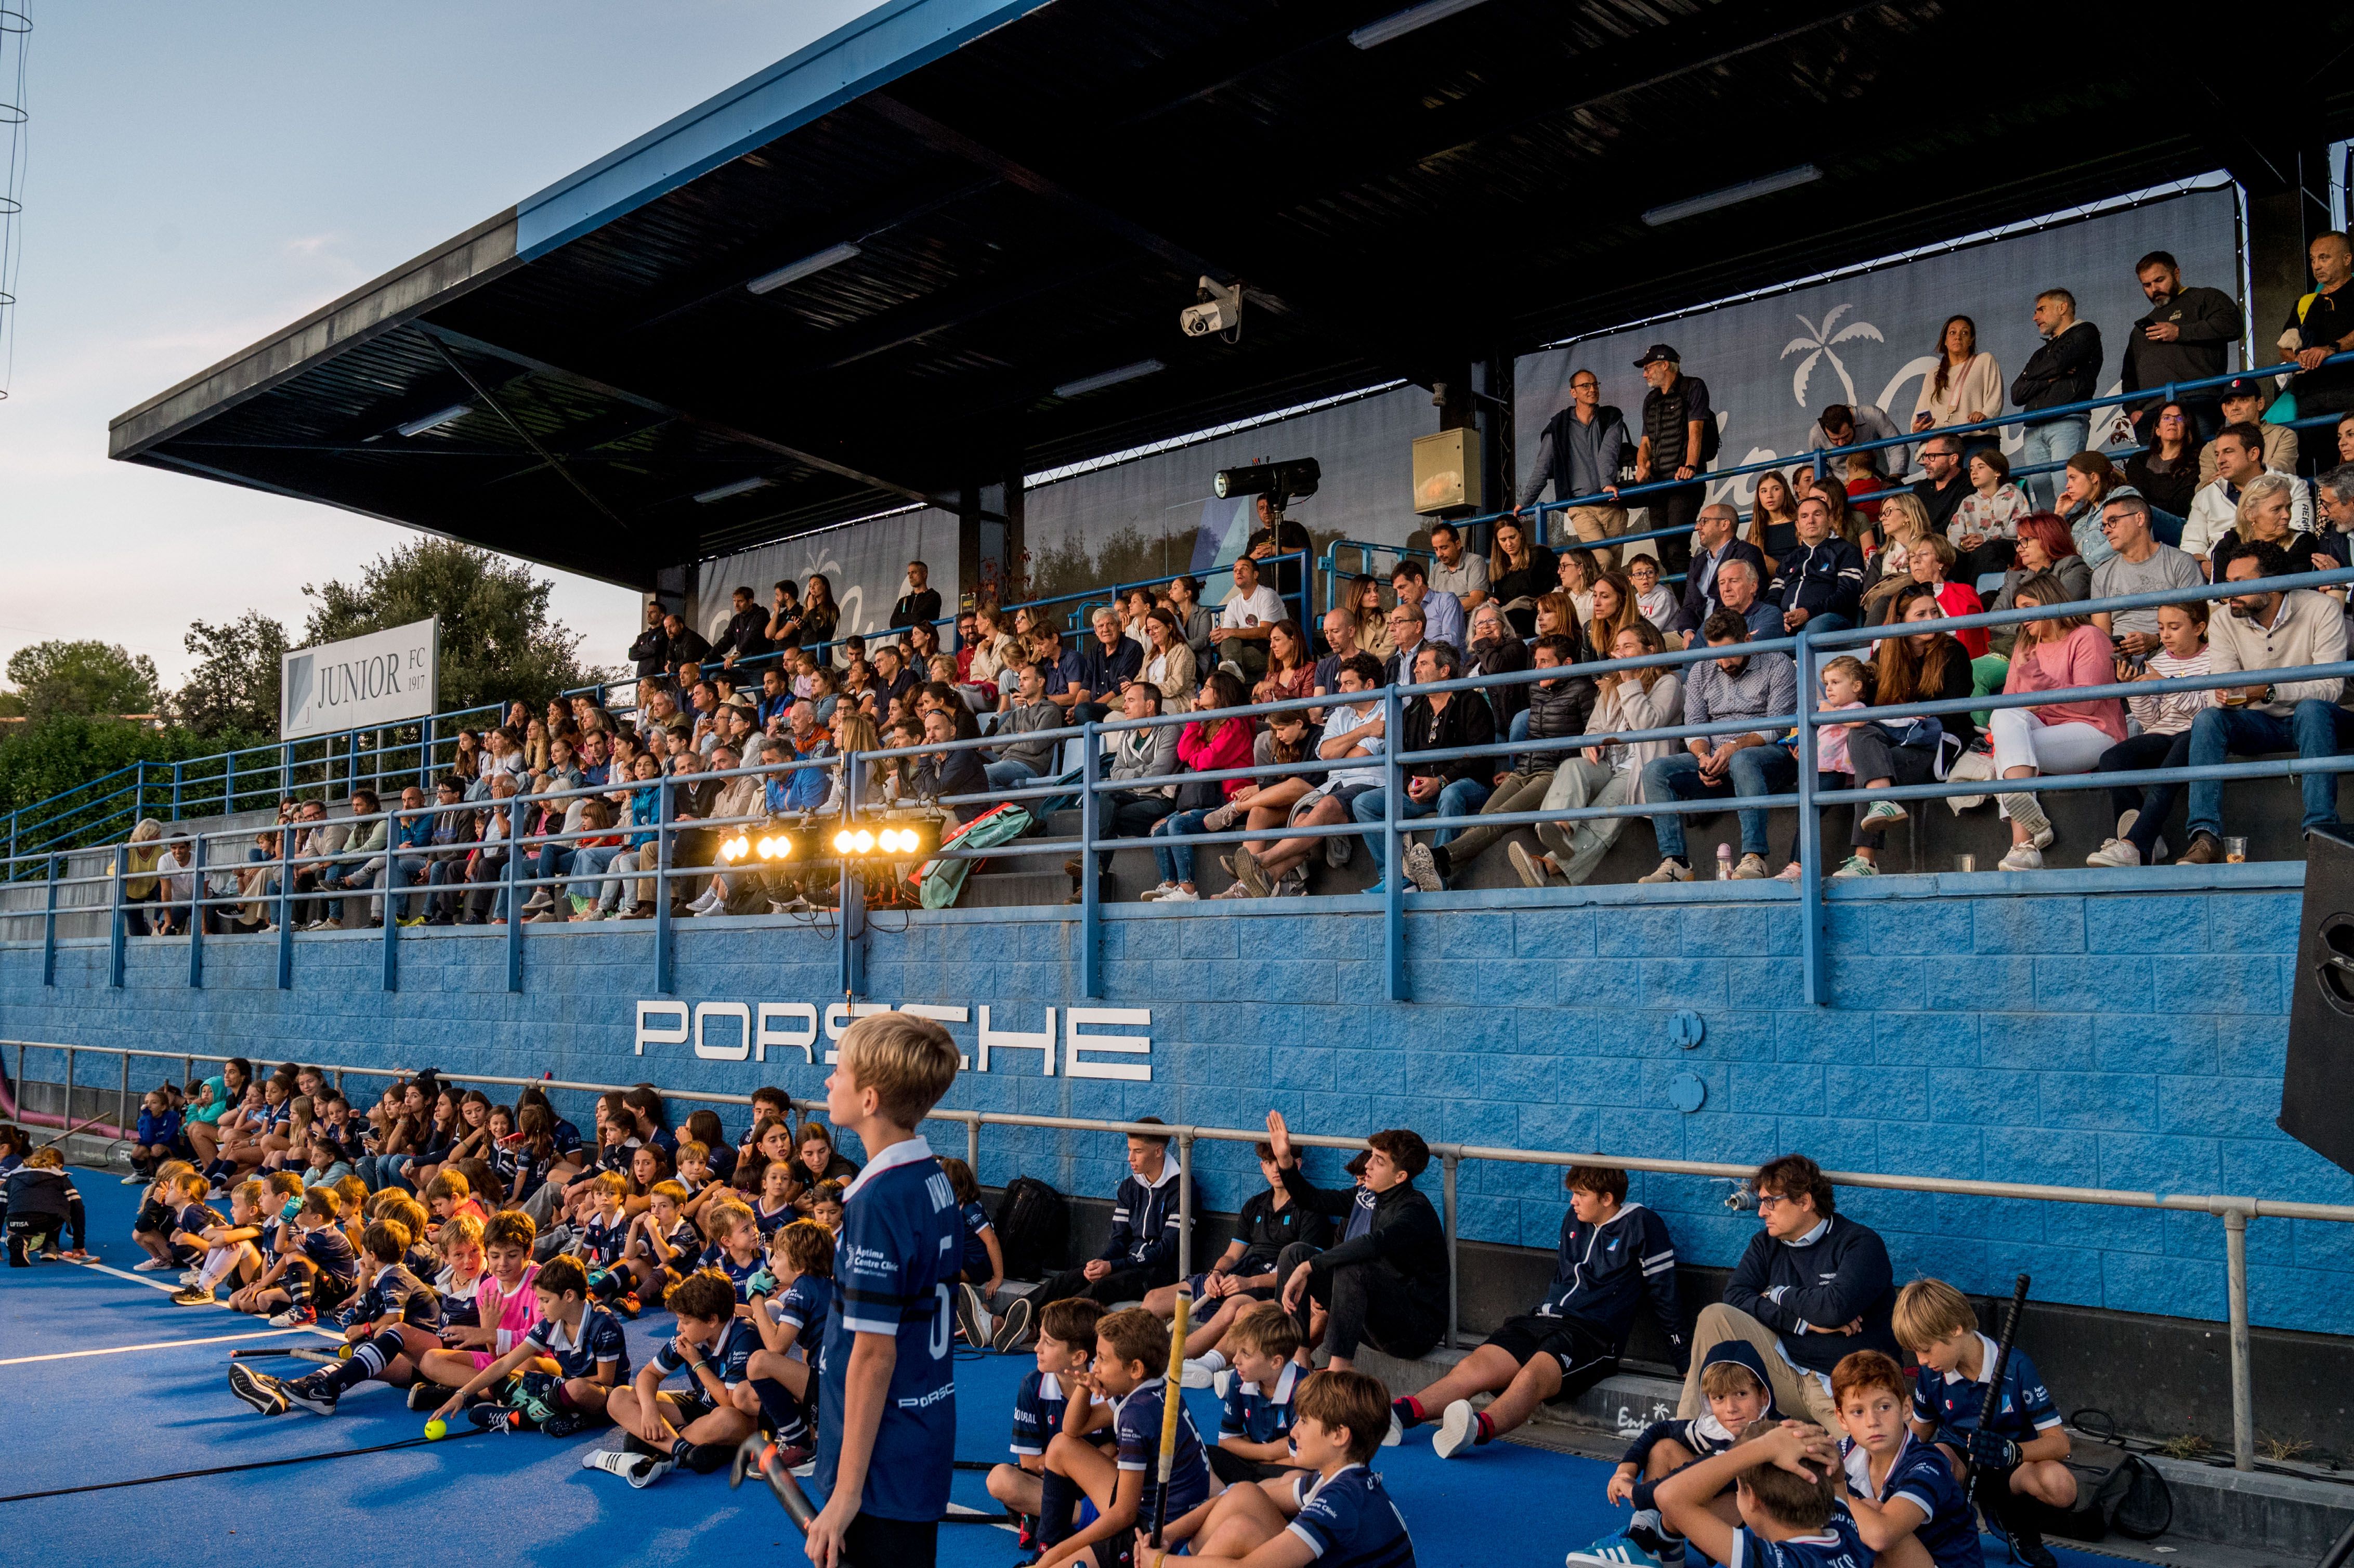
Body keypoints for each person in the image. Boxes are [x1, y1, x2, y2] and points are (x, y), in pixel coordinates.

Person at [803, 1011, 965, 1568]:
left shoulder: (878, 1200)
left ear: (869, 1099)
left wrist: (846, 1494)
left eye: (840, 1070)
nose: (829, 1080)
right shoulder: (933, 1176)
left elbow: (873, 1353)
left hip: (882, 1458)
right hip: (917, 1434)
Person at [1391, 1165, 1684, 1459]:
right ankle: (1398, 1414)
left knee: (1531, 1375)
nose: (1573, 1201)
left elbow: (1665, 1295)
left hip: (1591, 1334)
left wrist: (1683, 1358)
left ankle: (1476, 1429)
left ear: (1607, 1198)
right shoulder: (1576, 1218)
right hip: (1543, 1319)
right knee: (1473, 1367)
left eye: (1581, 1195)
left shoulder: (1643, 1224)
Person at [1676, 1154, 1898, 1431]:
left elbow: (1834, 1310)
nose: (1761, 1212)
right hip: (1786, 1373)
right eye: (1761, 1202)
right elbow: (1735, 1297)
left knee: (1861, 1468)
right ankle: (1687, 1431)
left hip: (1845, 1388)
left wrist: (1775, 1292)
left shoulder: (1860, 1244)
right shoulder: (1766, 1244)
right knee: (1715, 1316)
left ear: (1805, 1201)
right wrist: (1802, 1323)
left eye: (1771, 1202)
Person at [2179, 540, 2353, 861]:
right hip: (2261, 723)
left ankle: (2321, 833)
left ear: (2272, 584)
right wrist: (2225, 696)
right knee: (2208, 720)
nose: (2228, 592)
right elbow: (2222, 686)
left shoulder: (2321, 608)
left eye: (2239, 584)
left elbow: (2331, 688)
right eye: (2227, 582)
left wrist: (2269, 691)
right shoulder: (2222, 620)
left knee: (2312, 711)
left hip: (2323, 720)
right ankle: (2205, 837)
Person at [1145, 1369, 1414, 1568]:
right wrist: (1170, 1533)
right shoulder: (1338, 1479)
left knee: (1238, 1532)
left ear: (1340, 1436)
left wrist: (1160, 1562)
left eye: (1305, 1422)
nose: (1294, 1432)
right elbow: (1239, 1494)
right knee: (1245, 1496)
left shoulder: (1341, 1500)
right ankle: (1182, 1558)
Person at [1897, 1278, 2076, 1567]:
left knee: (2061, 1486)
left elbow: (2060, 1444)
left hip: (2013, 1468)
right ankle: (1940, 1532)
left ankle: (2016, 1522)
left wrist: (2011, 1452)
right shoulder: (1931, 1373)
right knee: (1933, 1460)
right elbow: (1919, 1432)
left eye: (1926, 1349)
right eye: (1915, 1351)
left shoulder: (2017, 1367)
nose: (1921, 1360)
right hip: (1961, 1464)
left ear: (1956, 1328)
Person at [1030, 1306, 1214, 1568]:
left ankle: (1047, 1554)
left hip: (1154, 1530)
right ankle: (1043, 1553)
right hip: (1156, 1508)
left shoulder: (1137, 1415)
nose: (1096, 1367)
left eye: (1103, 1360)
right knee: (1061, 1446)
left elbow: (1124, 1514)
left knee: (1057, 1564)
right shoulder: (1148, 1389)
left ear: (1135, 1369)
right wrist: (1086, 1386)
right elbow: (1071, 1431)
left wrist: (1059, 1553)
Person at [1403, 633, 1591, 890]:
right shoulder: (1537, 689)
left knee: (1498, 819)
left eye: (1544, 662)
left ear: (1568, 663)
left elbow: (1593, 739)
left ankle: (1438, 858)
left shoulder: (1583, 690)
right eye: (1535, 662)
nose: (1536, 669)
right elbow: (1534, 735)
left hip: (1555, 774)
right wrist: (1514, 770)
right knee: (1483, 819)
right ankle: (1440, 872)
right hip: (1524, 771)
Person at [1566, 1342, 1779, 1568]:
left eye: (1741, 1394)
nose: (1731, 1408)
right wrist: (1625, 1470)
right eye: (1719, 1398)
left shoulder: (1768, 1433)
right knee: (1664, 1449)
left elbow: (1702, 1473)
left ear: (1764, 1396)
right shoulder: (1715, 1428)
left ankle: (1648, 1541)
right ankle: (1661, 1548)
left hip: (1767, 1533)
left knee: (1683, 1500)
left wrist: (1638, 1492)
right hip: (1736, 1521)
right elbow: (1661, 1429)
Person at [1266, 1111, 1447, 1372]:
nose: (1368, 1166)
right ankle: (1298, 1364)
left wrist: (1311, 1267)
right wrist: (1285, 1160)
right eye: (1371, 1156)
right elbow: (1314, 1200)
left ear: (1400, 1177)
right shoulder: (1368, 1195)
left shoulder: (1414, 1210)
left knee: (1354, 1266)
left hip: (1413, 1329)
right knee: (1294, 1253)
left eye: (1379, 1162)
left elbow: (1374, 1244)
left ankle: (1337, 1374)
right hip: (1371, 1315)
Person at [1634, 609, 1798, 883]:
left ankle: (1755, 858)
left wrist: (1734, 747)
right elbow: (1695, 724)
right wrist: (1702, 757)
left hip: (1767, 755)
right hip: (1715, 757)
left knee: (1743, 760)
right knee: (1655, 771)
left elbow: (1779, 726)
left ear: (1747, 639)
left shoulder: (1777, 663)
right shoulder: (1701, 669)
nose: (1722, 662)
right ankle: (1676, 862)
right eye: (1715, 653)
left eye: (1729, 652)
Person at [1835, 585, 1980, 878]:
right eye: (1921, 614)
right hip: (1896, 739)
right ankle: (1883, 802)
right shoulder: (1885, 654)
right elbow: (1866, 706)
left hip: (1936, 743)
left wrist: (1907, 712)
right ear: (1901, 621)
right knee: (1860, 733)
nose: (1931, 619)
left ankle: (1865, 860)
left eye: (1934, 612)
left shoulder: (1953, 651)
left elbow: (1953, 713)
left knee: (1872, 771)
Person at [1990, 572, 2127, 870]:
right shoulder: (2025, 647)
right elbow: (2010, 706)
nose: (2023, 617)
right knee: (2003, 718)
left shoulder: (2089, 636)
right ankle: (2024, 843)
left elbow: (2089, 703)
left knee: (2010, 756)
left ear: (2051, 601)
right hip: (2046, 731)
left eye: (2029, 607)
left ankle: (2025, 843)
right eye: (2018, 610)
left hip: (2095, 731)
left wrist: (2039, 682)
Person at [1167, 1143, 1331, 1375]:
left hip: (1285, 1291)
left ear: (1298, 1165)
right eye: (1270, 1162)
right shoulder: (1255, 1205)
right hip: (1247, 1275)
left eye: (1282, 1162)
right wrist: (1217, 1273)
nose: (1276, 1169)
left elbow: (1304, 1273)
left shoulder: (1311, 1210)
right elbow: (1232, 1255)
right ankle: (1167, 1363)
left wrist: (1250, 1283)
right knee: (1158, 1297)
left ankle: (1203, 1365)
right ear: (1262, 1167)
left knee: (1237, 1308)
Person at [1350, 642, 1494, 895]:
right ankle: (1395, 878)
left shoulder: (1472, 701)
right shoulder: (1413, 709)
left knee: (1451, 794)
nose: (1416, 670)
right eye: (1416, 665)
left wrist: (1441, 780)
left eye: (1424, 664)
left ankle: (1438, 876)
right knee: (1364, 803)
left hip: (1467, 785)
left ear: (1445, 670)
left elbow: (1480, 757)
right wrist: (1409, 784)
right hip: (1422, 790)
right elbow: (1401, 756)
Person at [1827, 1350, 1983, 1568]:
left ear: (1906, 1408)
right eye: (1858, 1412)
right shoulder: (1842, 1452)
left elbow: (1882, 1535)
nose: (1873, 1421)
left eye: (1884, 1407)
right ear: (1841, 1418)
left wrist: (1831, 1487)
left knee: (1870, 1514)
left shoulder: (1928, 1464)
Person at [1034, 1118, 1196, 1309]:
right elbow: (1119, 1239)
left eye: (1138, 1151)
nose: (1130, 1158)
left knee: (1103, 1287)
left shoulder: (1183, 1189)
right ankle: (1005, 1319)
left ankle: (1050, 1327)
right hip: (1128, 1264)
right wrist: (1102, 1263)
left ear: (1158, 1152)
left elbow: (1166, 1250)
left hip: (1160, 1272)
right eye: (1129, 1150)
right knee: (1071, 1278)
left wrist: (1115, 1266)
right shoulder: (1129, 1187)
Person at [986, 1295, 1108, 1545]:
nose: (1036, 1348)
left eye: (1048, 1343)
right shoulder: (1032, 1386)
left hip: (1100, 1483)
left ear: (1079, 1357)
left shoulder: (1107, 1386)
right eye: (1039, 1338)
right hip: (1054, 1483)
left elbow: (1122, 1453)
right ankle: (1083, 1517)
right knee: (999, 1479)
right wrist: (1080, 1464)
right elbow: (1029, 1462)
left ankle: (1051, 1516)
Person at [1142, 670, 1256, 903]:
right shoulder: (1210, 723)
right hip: (1207, 798)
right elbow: (1184, 753)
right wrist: (1194, 718)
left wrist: (1198, 757)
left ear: (1221, 693)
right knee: (1158, 830)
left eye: (1207, 688)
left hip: (1229, 800)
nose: (1201, 691)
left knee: (1178, 825)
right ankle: (1170, 884)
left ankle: (1188, 889)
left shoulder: (1236, 723)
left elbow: (1206, 761)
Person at [1519, 365, 1638, 567]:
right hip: (1582, 507)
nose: (1592, 389)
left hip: (1613, 506)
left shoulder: (1611, 416)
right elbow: (1543, 467)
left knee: (1614, 572)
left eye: (1595, 384)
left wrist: (1607, 484)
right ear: (1573, 392)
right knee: (1603, 559)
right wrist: (1524, 504)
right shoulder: (1558, 425)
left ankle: (1593, 598)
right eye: (1585, 386)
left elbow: (1608, 453)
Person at [2123, 250, 2244, 441]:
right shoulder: (2140, 329)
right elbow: (2129, 376)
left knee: (2202, 464)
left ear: (2176, 274)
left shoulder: (2206, 297)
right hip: (2152, 411)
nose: (2154, 289)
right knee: (2156, 470)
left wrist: (2179, 332)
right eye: (2147, 285)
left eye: (2159, 280)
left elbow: (2233, 326)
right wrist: (2133, 411)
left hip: (2198, 400)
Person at [1080, 680, 1179, 890]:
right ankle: (1093, 869)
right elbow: (1115, 773)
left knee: (1105, 817)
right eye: (1125, 701)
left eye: (1131, 701)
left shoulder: (1170, 730)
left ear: (1150, 705)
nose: (1124, 706)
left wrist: (1131, 779)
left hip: (1159, 801)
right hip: (1132, 798)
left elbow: (1158, 774)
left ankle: (1089, 876)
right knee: (1105, 798)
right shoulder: (1127, 731)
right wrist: (1141, 775)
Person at [2011, 289, 2102, 511]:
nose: (2035, 317)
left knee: (2068, 489)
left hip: (2067, 420)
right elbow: (2016, 393)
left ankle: (2076, 542)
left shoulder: (2086, 331)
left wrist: (2041, 374)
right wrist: (2049, 378)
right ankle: (2054, 542)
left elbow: (2058, 363)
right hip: (2033, 427)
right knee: (2043, 496)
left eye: (2041, 310)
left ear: (2062, 308)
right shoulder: (2040, 353)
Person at [2091, 489, 2204, 658]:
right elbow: (2102, 637)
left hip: (2171, 653)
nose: (2106, 530)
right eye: (2104, 525)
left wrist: (2156, 641)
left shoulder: (2181, 563)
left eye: (2113, 521)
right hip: (2121, 663)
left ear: (2139, 519)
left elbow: (2195, 624)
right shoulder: (2101, 575)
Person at [2185, 421, 2311, 570]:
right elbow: (2191, 545)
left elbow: (2299, 536)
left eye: (2229, 452)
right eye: (2218, 454)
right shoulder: (2205, 495)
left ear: (2253, 454)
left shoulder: (2293, 485)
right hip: (2217, 575)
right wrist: (2204, 566)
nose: (2220, 461)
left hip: (2276, 570)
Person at [1630, 343, 1710, 573]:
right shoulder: (1651, 400)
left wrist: (1690, 466)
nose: (1644, 374)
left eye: (1648, 368)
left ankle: (1694, 606)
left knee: (1677, 549)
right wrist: (1641, 466)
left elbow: (1696, 431)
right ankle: (1687, 605)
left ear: (1665, 365)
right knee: (1664, 553)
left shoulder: (1693, 387)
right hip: (1657, 486)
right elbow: (1645, 442)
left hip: (1683, 483)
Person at [2286, 230, 2354, 472]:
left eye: (2324, 258)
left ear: (2347, 259)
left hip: (2349, 388)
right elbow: (2285, 345)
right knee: (2324, 467)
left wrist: (2331, 348)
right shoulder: (2305, 302)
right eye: (2313, 259)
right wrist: (2298, 357)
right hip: (2311, 395)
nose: (2317, 265)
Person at [1767, 493, 1865, 634]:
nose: (1811, 521)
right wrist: (1778, 619)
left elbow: (1848, 595)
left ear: (1830, 520)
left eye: (1817, 515)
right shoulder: (1789, 559)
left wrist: (1809, 612)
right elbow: (1773, 598)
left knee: (1816, 627)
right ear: (1798, 525)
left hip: (1828, 620)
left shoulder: (1847, 551)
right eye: (1804, 516)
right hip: (1787, 622)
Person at [1677, 502, 1767, 635]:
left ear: (1725, 525)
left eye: (1704, 521)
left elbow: (1750, 598)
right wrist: (1687, 631)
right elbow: (1688, 606)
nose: (1697, 527)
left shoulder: (1747, 553)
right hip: (1694, 632)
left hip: (1728, 631)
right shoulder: (1696, 562)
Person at [2194, 376, 2299, 487]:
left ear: (2260, 404)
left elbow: (2277, 475)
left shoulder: (2283, 436)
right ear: (2225, 410)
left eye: (2243, 400)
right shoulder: (2210, 449)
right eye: (2230, 403)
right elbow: (2202, 489)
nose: (2235, 407)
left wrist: (2230, 479)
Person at [1912, 313, 2001, 437]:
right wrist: (1917, 427)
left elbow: (1994, 397)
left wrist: (1986, 416)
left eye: (1965, 333)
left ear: (1971, 340)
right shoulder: (1933, 374)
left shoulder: (1984, 360)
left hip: (1977, 438)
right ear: (1945, 341)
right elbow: (1919, 413)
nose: (1958, 337)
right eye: (1952, 333)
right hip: (1943, 443)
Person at [4, 1146, 87, 1264]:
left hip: (15, 1222)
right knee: (63, 1204)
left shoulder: (13, 1176)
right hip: (45, 1221)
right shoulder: (59, 1177)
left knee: (20, 1208)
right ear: (59, 1166)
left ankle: (22, 1239)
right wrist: (79, 1243)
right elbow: (78, 1208)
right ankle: (50, 1246)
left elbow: (1, 1207)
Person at [986, 662, 1063, 789]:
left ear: (1040, 682)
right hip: (1006, 762)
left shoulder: (1050, 711)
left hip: (1029, 767)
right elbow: (996, 745)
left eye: (1026, 679)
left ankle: (993, 810)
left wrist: (1011, 740)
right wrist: (1019, 735)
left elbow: (1035, 746)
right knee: (970, 774)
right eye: (1020, 680)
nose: (1020, 684)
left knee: (985, 775)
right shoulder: (1017, 713)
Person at [1214, 554, 1288, 682]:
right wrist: (1219, 635)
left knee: (1225, 664)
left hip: (1271, 650)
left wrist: (1229, 632)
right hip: (1245, 648)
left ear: (1255, 575)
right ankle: (1234, 667)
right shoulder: (1233, 603)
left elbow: (1266, 632)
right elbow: (1228, 638)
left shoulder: (1267, 596)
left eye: (1244, 568)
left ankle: (1233, 671)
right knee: (1229, 650)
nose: (1239, 572)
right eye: (1235, 570)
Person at [2125, 401, 2200, 521]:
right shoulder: (2138, 461)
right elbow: (2132, 500)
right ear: (2157, 430)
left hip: (2178, 524)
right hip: (2139, 522)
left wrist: (2146, 505)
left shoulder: (2196, 463)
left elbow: (2183, 506)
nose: (2172, 422)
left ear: (2187, 429)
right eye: (2166, 418)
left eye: (2179, 418)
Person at [1487, 514, 1559, 635]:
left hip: (1538, 611)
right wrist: (1493, 600)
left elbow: (1560, 579)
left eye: (1512, 537)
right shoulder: (1499, 566)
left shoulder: (1539, 554)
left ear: (1521, 533)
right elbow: (1500, 600)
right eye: (1503, 540)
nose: (1509, 544)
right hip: (1511, 615)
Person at [1807, 401, 1907, 484]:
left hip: (1882, 484)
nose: (1841, 443)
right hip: (1845, 494)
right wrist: (1836, 492)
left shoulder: (1872, 415)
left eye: (1845, 436)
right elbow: (1819, 469)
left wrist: (1894, 478)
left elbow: (1897, 446)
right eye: (1835, 440)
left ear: (1853, 422)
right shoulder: (1816, 434)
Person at [1075, 606, 1143, 722]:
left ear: (1119, 626)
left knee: (1083, 711)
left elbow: (1119, 689)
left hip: (1117, 705)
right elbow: (1086, 686)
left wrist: (1086, 708)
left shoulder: (1133, 648)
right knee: (1059, 712)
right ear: (1096, 631)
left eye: (1110, 624)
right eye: (1101, 626)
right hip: (1093, 707)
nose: (1105, 630)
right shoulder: (1094, 651)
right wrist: (1075, 709)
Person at [1388, 559, 1463, 662]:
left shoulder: (1446, 601)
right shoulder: (1407, 612)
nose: (1400, 595)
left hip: (1448, 667)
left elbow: (1452, 641)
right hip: (1416, 667)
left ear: (1418, 580)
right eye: (1397, 590)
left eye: (1403, 587)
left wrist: (1418, 648)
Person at [1246, 495, 1314, 607]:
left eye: (1270, 507)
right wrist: (1254, 556)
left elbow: (1307, 554)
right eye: (1262, 508)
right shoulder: (1255, 538)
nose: (1266, 511)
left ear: (1277, 507)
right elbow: (1243, 566)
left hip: (1292, 597)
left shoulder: (1293, 528)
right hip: (1263, 601)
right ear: (1258, 512)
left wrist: (1278, 550)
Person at [1908, 434, 1969, 538]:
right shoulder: (1921, 487)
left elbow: (1950, 528)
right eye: (1925, 456)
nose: (1925, 462)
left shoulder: (1968, 485)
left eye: (1932, 456)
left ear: (1953, 459)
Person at [1425, 520, 1488, 608]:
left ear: (1458, 544)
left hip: (1467, 619)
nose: (1439, 554)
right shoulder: (1436, 569)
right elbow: (1430, 602)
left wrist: (1447, 612)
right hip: (1441, 619)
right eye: (1436, 549)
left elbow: (1476, 600)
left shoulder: (1475, 562)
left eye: (1444, 548)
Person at [888, 559, 941, 633]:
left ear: (925, 574)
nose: (910, 576)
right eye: (909, 573)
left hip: (925, 641)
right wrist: (913, 618)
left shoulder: (933, 596)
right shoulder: (903, 601)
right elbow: (893, 624)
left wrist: (902, 617)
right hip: (905, 643)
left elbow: (919, 618)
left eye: (914, 572)